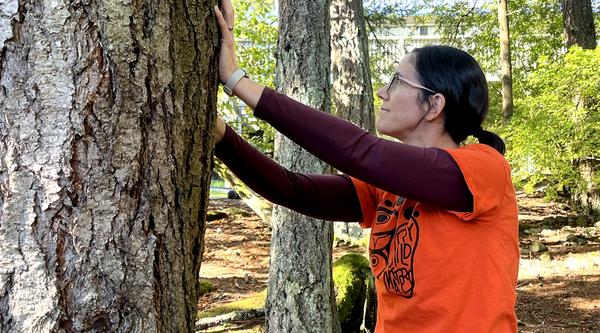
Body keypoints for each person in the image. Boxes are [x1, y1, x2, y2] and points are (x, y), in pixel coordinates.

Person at [213, 1, 519, 332]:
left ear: (434, 105)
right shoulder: (388, 186)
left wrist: (237, 81)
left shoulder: (483, 169)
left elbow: (360, 152)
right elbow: (291, 189)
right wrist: (221, 137)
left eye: (396, 81)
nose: (382, 92)